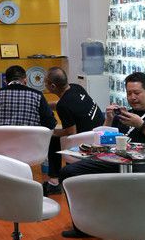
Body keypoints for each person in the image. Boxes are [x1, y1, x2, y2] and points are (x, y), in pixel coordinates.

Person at [59, 72, 145, 240]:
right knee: (68, 172)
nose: (132, 97)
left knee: (136, 184)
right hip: (113, 160)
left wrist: (142, 125)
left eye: (137, 93)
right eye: (129, 93)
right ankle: (82, 225)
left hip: (142, 164)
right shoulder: (123, 116)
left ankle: (139, 237)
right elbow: (103, 139)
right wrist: (108, 119)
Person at [42, 67, 104, 196]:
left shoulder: (63, 105)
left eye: (45, 82)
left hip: (87, 140)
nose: (44, 84)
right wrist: (44, 106)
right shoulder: (76, 87)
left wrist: (51, 132)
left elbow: (71, 132)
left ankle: (54, 182)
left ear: (52, 86)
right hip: (100, 131)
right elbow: (65, 104)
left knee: (53, 139)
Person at [0, 65, 56, 131]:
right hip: (31, 142)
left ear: (5, 81)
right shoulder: (38, 96)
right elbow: (50, 123)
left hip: (0, 142)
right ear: (25, 80)